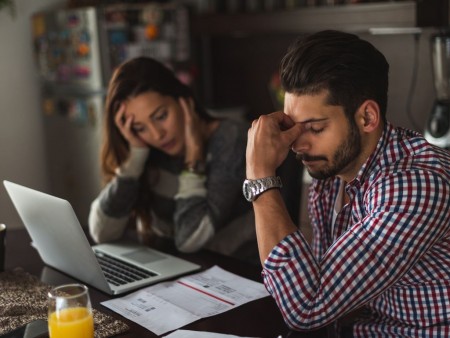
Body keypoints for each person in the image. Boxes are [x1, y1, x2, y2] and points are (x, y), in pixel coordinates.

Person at [244, 30, 450, 337]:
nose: (298, 145)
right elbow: (317, 289)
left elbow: (307, 306)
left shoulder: (414, 186)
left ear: (367, 117)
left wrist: (260, 177)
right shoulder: (330, 174)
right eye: (292, 127)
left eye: (314, 128)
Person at [89, 56, 255, 259]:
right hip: (177, 270)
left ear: (182, 99)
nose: (157, 135)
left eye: (160, 116)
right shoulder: (149, 150)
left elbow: (189, 239)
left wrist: (194, 159)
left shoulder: (231, 139)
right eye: (140, 128)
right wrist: (135, 158)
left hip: (236, 274)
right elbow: (101, 232)